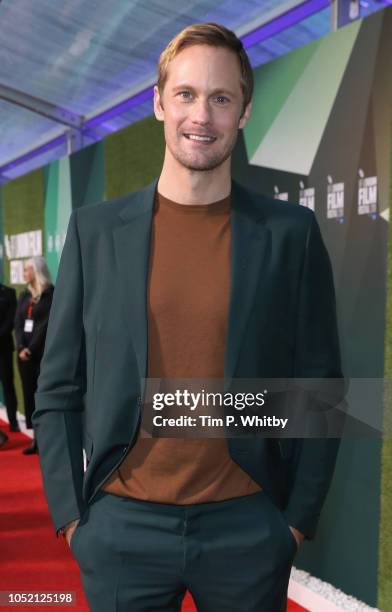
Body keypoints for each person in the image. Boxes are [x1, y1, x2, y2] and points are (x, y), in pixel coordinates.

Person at [33, 23, 343, 611]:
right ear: (158, 102)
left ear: (244, 111)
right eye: (186, 95)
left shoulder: (289, 236)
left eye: (221, 98)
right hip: (121, 529)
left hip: (247, 528)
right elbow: (58, 389)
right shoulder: (95, 234)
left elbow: (321, 389)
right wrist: (74, 517)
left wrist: (294, 523)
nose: (202, 115)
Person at [15, 256, 54, 455]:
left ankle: (47, 439)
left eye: (27, 269)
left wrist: (31, 348)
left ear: (36, 271)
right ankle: (36, 440)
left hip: (41, 356)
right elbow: (19, 324)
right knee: (29, 397)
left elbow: (45, 325)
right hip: (24, 358)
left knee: (43, 397)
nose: (24, 273)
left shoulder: (50, 295)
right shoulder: (24, 296)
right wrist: (21, 346)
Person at [0, 281, 19, 432]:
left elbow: (12, 319)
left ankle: (13, 421)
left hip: (4, 347)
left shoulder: (9, 292)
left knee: (8, 385)